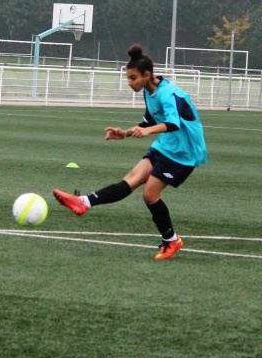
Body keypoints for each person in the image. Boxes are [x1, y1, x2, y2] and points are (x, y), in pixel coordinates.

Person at [53, 44, 207, 260]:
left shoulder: (166, 93)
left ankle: (172, 241)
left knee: (150, 194)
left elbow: (173, 123)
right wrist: (124, 133)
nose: (130, 83)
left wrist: (146, 131)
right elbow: (150, 119)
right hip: (167, 144)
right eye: (129, 78)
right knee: (131, 180)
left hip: (185, 150)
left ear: (147, 74)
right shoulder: (148, 91)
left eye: (133, 78)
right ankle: (84, 202)